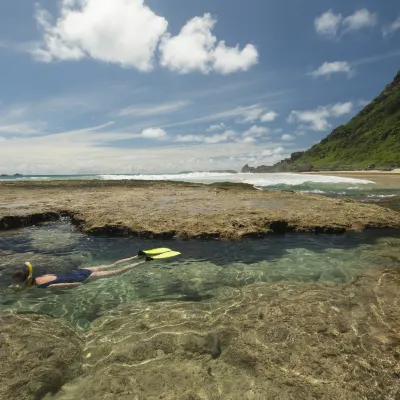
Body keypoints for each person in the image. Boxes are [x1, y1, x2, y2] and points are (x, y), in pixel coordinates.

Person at [11, 256, 146, 289]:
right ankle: (137, 256)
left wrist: (85, 284)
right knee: (113, 265)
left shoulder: (47, 287)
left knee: (118, 272)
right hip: (82, 270)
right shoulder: (42, 276)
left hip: (86, 276)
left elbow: (76, 285)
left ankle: (143, 262)